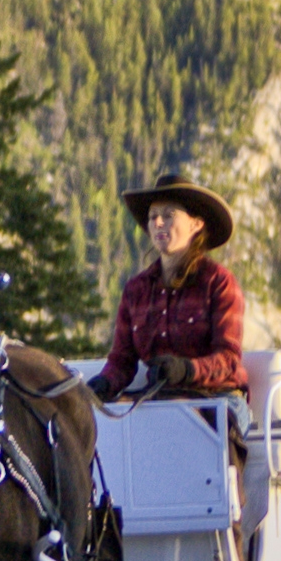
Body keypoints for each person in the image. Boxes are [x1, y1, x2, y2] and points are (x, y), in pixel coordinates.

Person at [88, 169, 249, 403]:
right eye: (153, 216)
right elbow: (122, 362)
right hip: (161, 402)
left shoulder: (219, 282)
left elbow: (228, 360)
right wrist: (103, 384)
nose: (157, 222)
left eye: (168, 215)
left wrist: (186, 370)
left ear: (196, 224)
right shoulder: (136, 290)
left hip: (219, 400)